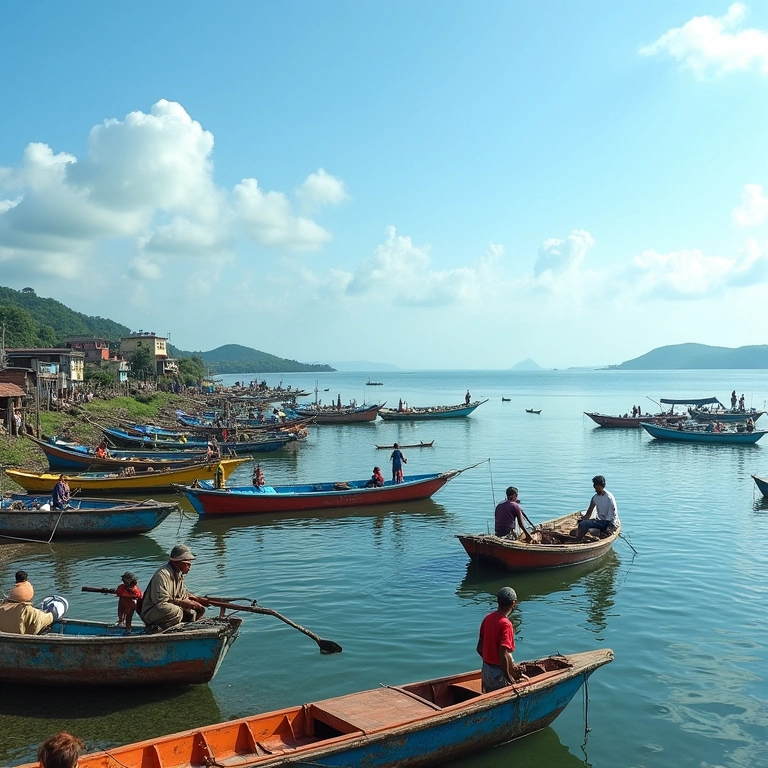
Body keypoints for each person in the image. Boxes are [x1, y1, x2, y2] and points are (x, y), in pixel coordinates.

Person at [139, 544, 206, 631]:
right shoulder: (162, 574)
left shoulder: (179, 575)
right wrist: (182, 603)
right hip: (152, 611)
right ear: (177, 562)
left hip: (169, 608)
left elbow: (182, 595)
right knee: (175, 611)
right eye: (187, 564)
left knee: (193, 611)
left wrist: (193, 603)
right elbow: (161, 600)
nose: (189, 567)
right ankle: (159, 628)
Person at [476, 586, 528, 692]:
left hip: (486, 670)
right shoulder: (506, 624)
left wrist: (489, 662)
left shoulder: (487, 618)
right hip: (498, 674)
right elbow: (502, 654)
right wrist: (508, 677)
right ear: (514, 603)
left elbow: (479, 648)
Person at [574, 475, 620, 541]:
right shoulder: (595, 498)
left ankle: (578, 541)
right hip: (600, 521)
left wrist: (609, 529)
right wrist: (582, 519)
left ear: (600, 486)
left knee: (585, 524)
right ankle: (580, 538)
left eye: (595, 485)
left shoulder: (609, 498)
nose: (594, 488)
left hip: (609, 523)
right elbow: (588, 514)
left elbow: (612, 517)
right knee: (582, 524)